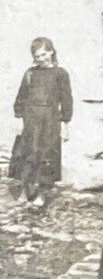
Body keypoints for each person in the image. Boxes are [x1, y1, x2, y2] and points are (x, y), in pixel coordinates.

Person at [9, 37, 72, 209]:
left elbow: (66, 100)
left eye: (43, 54)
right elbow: (21, 98)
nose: (41, 59)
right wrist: (19, 119)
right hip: (30, 119)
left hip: (50, 120)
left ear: (51, 51)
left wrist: (65, 125)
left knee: (47, 156)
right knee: (26, 154)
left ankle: (42, 194)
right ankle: (24, 191)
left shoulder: (61, 74)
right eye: (37, 56)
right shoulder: (30, 73)